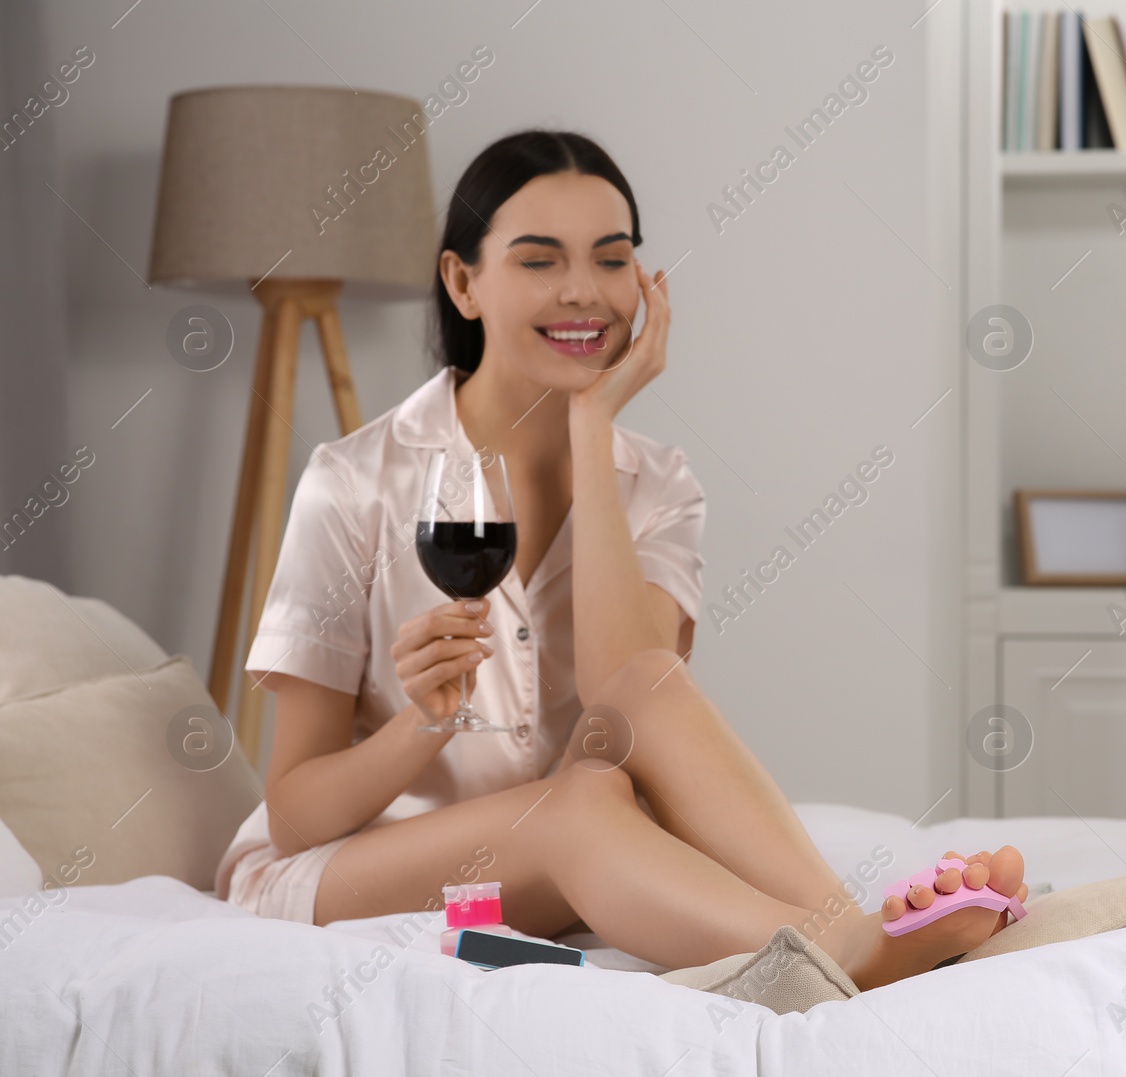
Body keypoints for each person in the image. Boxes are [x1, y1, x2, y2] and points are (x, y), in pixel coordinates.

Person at [214, 129, 1026, 990]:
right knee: (580, 804)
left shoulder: (659, 483)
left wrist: (591, 429)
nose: (582, 293)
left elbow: (626, 686)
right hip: (353, 876)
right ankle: (850, 952)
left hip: (557, 863)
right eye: (538, 261)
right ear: (463, 282)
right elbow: (297, 814)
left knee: (624, 731)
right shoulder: (353, 482)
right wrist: (422, 721)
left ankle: (843, 932)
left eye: (611, 260)